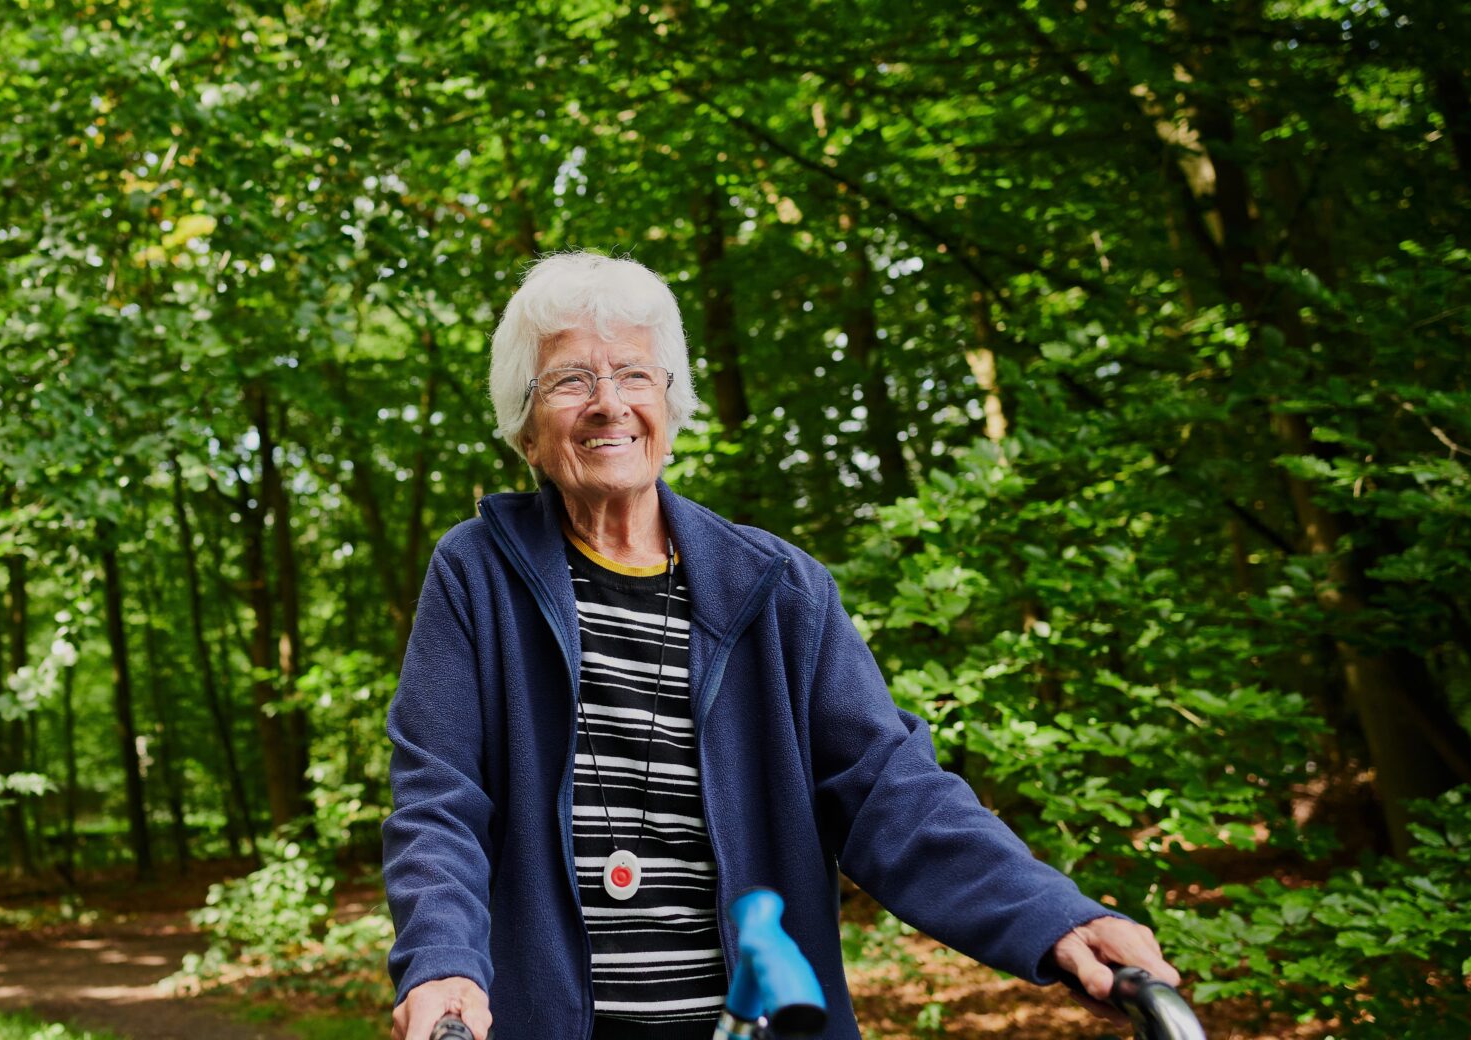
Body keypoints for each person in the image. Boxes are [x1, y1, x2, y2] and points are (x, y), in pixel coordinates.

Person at [383, 252, 1178, 1040]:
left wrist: (1052, 918)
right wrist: (444, 960)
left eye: (633, 374)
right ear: (525, 430)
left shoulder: (777, 588)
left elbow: (891, 792)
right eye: (569, 380)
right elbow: (439, 800)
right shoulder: (477, 573)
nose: (607, 404)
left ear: (670, 404)